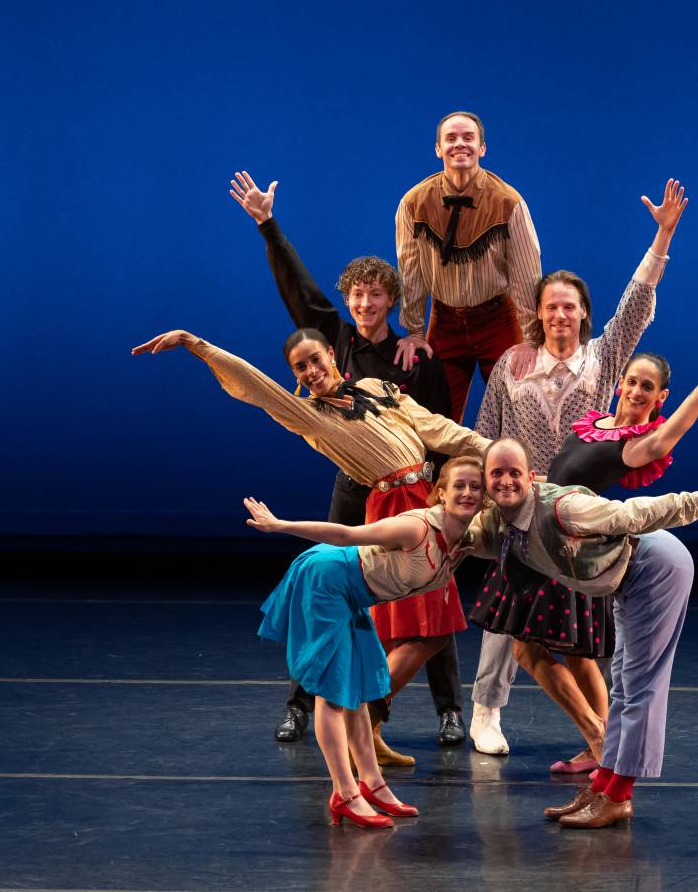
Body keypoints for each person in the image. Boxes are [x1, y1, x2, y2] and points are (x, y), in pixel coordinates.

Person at [131, 328, 489, 766]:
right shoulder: (310, 417)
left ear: (332, 356)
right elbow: (258, 387)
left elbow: (438, 429)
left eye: (316, 360)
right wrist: (196, 345)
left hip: (429, 498)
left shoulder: (377, 388)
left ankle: (370, 728)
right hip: (398, 511)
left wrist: (496, 454)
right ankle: (363, 716)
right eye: (301, 367)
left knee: (429, 632)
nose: (312, 371)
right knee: (424, 633)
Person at [470, 330, 698, 772]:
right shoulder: (593, 423)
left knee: (530, 652)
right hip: (543, 532)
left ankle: (600, 739)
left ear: (660, 396)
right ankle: (602, 745)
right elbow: (561, 474)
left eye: (648, 386)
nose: (637, 391)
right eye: (632, 381)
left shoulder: (638, 446)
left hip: (570, 545)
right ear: (620, 383)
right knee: (580, 660)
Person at [229, 169, 467, 749]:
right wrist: (267, 224)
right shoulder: (332, 339)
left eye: (375, 294)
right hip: (356, 489)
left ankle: (448, 709)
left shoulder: (416, 360)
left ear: (391, 301)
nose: (364, 302)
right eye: (356, 294)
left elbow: (439, 431)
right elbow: (297, 289)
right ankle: (300, 705)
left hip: (413, 493)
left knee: (431, 594)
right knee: (329, 591)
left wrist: (439, 492)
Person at [467, 178, 689, 755]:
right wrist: (490, 493)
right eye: (550, 307)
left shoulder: (605, 357)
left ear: (583, 313)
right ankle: (487, 710)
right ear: (537, 315)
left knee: (581, 642)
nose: (561, 314)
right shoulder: (511, 364)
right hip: (518, 507)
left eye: (570, 306)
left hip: (575, 520)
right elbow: (486, 434)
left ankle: (605, 744)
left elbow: (636, 303)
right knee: (504, 623)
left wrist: (662, 236)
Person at [470, 439, 698, 828]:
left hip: (655, 566)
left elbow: (632, 514)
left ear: (531, 477)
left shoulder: (562, 507)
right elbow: (449, 532)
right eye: (497, 473)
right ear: (485, 481)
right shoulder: (499, 521)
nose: (506, 481)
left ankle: (618, 795)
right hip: (625, 580)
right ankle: (604, 785)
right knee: (623, 686)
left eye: (514, 473)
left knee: (641, 685)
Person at [242, 456, 488, 828]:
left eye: (475, 486)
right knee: (334, 693)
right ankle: (345, 793)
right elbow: (347, 535)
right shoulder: (417, 526)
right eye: (459, 485)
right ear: (441, 493)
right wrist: (281, 526)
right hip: (326, 580)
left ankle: (372, 784)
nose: (468, 493)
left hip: (354, 594)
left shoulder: (462, 539)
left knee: (358, 688)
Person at [394, 111, 542, 421]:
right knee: (435, 417)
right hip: (444, 320)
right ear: (438, 149)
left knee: (519, 412)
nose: (459, 144)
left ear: (482, 147)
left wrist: (531, 340)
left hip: (498, 318)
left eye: (468, 138)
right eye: (451, 138)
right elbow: (411, 271)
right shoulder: (413, 202)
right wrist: (415, 331)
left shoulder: (507, 201)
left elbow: (527, 275)